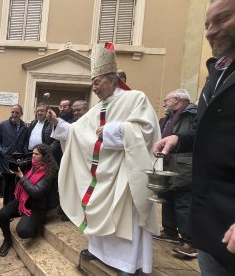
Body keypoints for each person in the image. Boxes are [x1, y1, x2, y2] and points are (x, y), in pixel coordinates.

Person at [48, 43, 160, 275]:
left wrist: (112, 130)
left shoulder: (135, 99)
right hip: (103, 173)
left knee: (124, 218)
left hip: (126, 172)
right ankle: (100, 252)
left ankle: (128, 264)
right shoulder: (98, 107)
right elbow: (77, 132)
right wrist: (58, 123)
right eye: (93, 83)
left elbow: (146, 131)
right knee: (97, 208)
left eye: (97, 82)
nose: (94, 88)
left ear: (112, 79)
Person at [153, 0, 235, 274]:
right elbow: (206, 130)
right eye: (206, 24)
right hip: (210, 223)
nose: (210, 31)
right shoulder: (217, 73)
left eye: (222, 19)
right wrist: (180, 140)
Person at [154, 89, 198, 258]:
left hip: (183, 165)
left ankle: (190, 242)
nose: (164, 103)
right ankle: (170, 231)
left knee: (183, 202)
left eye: (167, 100)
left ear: (177, 99)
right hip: (166, 163)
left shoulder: (192, 114)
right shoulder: (167, 118)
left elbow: (195, 138)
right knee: (168, 198)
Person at [0, 144, 58, 257]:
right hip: (23, 200)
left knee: (23, 231)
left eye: (37, 154)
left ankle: (35, 224)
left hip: (36, 206)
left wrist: (21, 176)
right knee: (2, 215)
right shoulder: (32, 165)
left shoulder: (49, 173)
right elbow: (20, 185)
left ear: (44, 157)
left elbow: (36, 192)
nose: (33, 156)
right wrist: (17, 172)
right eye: (33, 153)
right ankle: (7, 240)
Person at [0, 104, 29, 206]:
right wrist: (0, 151)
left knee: (17, 185)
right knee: (7, 185)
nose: (14, 114)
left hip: (19, 160)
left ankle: (13, 207)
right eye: (12, 112)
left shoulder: (25, 127)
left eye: (17, 112)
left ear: (21, 114)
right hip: (6, 158)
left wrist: (25, 155)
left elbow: (26, 143)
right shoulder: (3, 125)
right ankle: (6, 206)